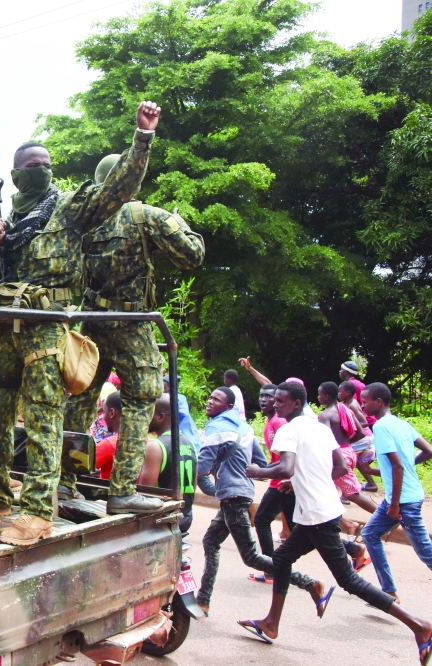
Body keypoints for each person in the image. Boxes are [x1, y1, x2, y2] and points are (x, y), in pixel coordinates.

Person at [0, 102, 161, 545]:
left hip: (45, 331)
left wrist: (142, 138)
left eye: (47, 164)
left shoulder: (69, 209)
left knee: (43, 421)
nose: (42, 171)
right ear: (15, 175)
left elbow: (118, 188)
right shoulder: (3, 220)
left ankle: (36, 512)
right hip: (3, 328)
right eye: (33, 165)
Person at [64, 105, 205, 516]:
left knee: (80, 397)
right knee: (143, 395)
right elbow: (191, 256)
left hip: (90, 320)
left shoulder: (82, 218)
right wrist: (182, 224)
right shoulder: (144, 215)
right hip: (130, 321)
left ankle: (63, 482)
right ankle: (122, 490)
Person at [241, 382, 432, 658]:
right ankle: (273, 622)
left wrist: (257, 470)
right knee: (282, 558)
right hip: (319, 511)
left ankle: (419, 625)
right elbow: (340, 466)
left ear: (296, 403)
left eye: (281, 400)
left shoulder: (288, 430)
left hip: (318, 516)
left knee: (349, 581)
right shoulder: (319, 427)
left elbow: (285, 467)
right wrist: (301, 484)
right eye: (274, 400)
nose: (275, 404)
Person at [196, 387, 328, 614]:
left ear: (228, 407)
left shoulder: (217, 429)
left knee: (251, 557)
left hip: (233, 496)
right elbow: (260, 462)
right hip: (240, 493)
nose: (210, 402)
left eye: (216, 399)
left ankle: (309, 583)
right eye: (209, 397)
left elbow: (202, 467)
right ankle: (203, 600)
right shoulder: (245, 429)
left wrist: (211, 473)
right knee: (210, 542)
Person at [360, 382, 432, 603]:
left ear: (378, 402)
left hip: (403, 500)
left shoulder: (381, 427)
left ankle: (388, 591)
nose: (362, 405)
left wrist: (394, 505)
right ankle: (388, 591)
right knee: (370, 534)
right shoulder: (402, 424)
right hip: (403, 496)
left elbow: (398, 467)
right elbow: (428, 451)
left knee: (426, 553)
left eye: (365, 401)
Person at [317, 381, 379, 514]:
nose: (318, 397)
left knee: (353, 494)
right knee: (325, 491)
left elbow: (326, 440)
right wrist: (346, 444)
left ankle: (385, 518)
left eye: (319, 395)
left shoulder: (325, 415)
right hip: (348, 452)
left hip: (338, 457)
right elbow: (361, 432)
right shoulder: (345, 409)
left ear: (326, 397)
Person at [251, 384, 296, 567]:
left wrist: (262, 471)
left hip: (282, 481)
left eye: (269, 397)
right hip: (283, 479)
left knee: (261, 519)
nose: (264, 400)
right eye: (261, 396)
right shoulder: (270, 422)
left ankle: (270, 567)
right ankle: (352, 549)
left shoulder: (279, 422)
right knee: (301, 529)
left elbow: (290, 457)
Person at [143, 393, 197, 533]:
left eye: (149, 412)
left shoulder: (156, 446)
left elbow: (144, 492)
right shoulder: (189, 443)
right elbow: (193, 485)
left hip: (161, 520)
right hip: (184, 517)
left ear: (160, 417)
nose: (144, 417)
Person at [339, 380, 378, 491]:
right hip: (363, 436)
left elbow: (364, 422)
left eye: (339, 391)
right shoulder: (347, 404)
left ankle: (346, 493)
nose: (338, 394)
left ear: (347, 393)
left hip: (362, 437)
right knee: (362, 465)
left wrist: (349, 428)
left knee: (344, 459)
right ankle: (372, 484)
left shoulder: (352, 405)